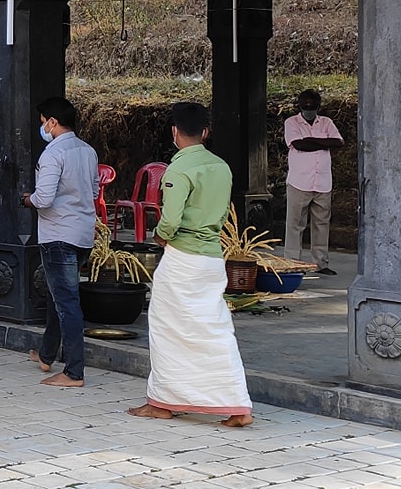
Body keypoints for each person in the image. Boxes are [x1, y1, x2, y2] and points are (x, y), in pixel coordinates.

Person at [130, 102, 252, 428]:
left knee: (166, 325)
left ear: (174, 132)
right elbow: (223, 212)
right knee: (214, 329)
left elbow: (170, 219)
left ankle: (163, 402)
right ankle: (238, 404)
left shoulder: (179, 170)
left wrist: (161, 236)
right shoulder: (221, 167)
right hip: (212, 256)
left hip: (183, 256)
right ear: (206, 132)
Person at [23, 97, 98, 389]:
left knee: (66, 302)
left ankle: (74, 371)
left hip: (58, 235)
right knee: (59, 295)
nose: (42, 127)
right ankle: (45, 354)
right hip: (82, 234)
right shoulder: (88, 151)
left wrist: (27, 199)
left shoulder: (52, 154)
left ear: (52, 122)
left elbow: (44, 198)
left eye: (43, 122)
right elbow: (93, 190)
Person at [281, 89, 344, 275]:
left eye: (312, 105)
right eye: (305, 105)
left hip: (323, 181)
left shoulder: (326, 122)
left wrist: (311, 141)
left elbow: (338, 142)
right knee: (294, 225)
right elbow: (299, 144)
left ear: (319, 106)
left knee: (322, 224)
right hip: (299, 181)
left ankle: (321, 263)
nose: (309, 108)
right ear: (299, 105)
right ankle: (292, 263)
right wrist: (324, 142)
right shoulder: (291, 122)